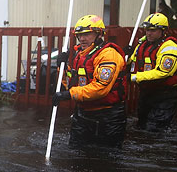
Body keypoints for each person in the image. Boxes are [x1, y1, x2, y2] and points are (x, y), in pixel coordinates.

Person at [52, 15, 127, 148]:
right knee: (76, 153)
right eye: (79, 35)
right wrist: (61, 68)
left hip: (107, 117)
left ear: (99, 34)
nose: (82, 38)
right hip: (83, 114)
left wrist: (69, 94)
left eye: (87, 34)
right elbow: (72, 82)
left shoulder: (108, 55)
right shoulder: (81, 54)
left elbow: (100, 88)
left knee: (104, 158)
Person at [126, 13, 177, 131]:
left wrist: (133, 77)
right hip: (147, 92)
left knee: (156, 129)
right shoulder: (142, 45)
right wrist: (124, 55)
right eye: (147, 30)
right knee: (141, 125)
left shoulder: (170, 47)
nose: (148, 33)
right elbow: (131, 61)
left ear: (163, 31)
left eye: (153, 30)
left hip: (165, 94)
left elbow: (163, 72)